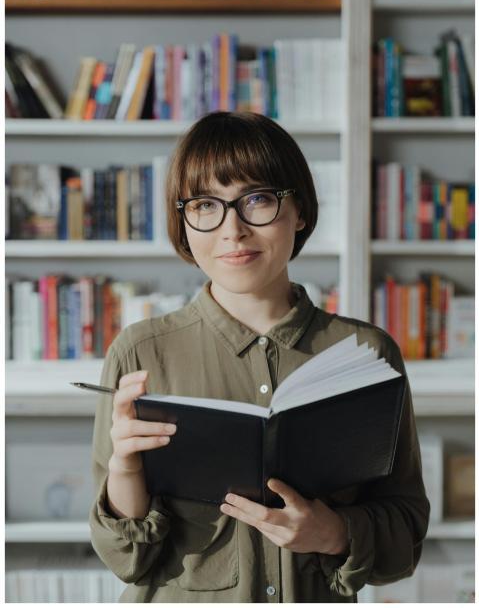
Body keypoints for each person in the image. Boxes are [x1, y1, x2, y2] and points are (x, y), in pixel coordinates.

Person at [89, 111, 430, 603]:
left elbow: (405, 535)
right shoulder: (141, 352)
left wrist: (332, 532)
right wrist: (124, 469)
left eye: (258, 200)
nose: (233, 229)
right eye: (206, 205)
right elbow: (125, 559)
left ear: (300, 212)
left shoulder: (368, 355)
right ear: (184, 223)